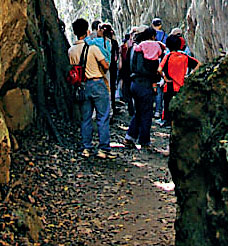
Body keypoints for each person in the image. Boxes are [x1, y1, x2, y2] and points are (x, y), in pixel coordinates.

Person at [68, 18, 116, 159]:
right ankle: (103, 149)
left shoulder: (71, 50)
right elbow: (106, 66)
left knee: (86, 118)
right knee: (102, 117)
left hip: (82, 86)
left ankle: (86, 148)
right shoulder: (93, 48)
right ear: (87, 31)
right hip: (97, 83)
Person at [124, 27, 163, 150]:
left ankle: (130, 137)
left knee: (139, 111)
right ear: (152, 36)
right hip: (145, 85)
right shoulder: (153, 48)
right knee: (146, 113)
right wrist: (155, 80)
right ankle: (144, 141)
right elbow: (153, 69)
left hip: (134, 84)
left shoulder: (136, 48)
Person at [158, 34, 200, 126]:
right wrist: (189, 76)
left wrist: (164, 78)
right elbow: (198, 64)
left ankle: (166, 121)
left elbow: (159, 69)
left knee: (167, 104)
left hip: (169, 85)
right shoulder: (184, 57)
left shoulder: (168, 56)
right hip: (181, 85)